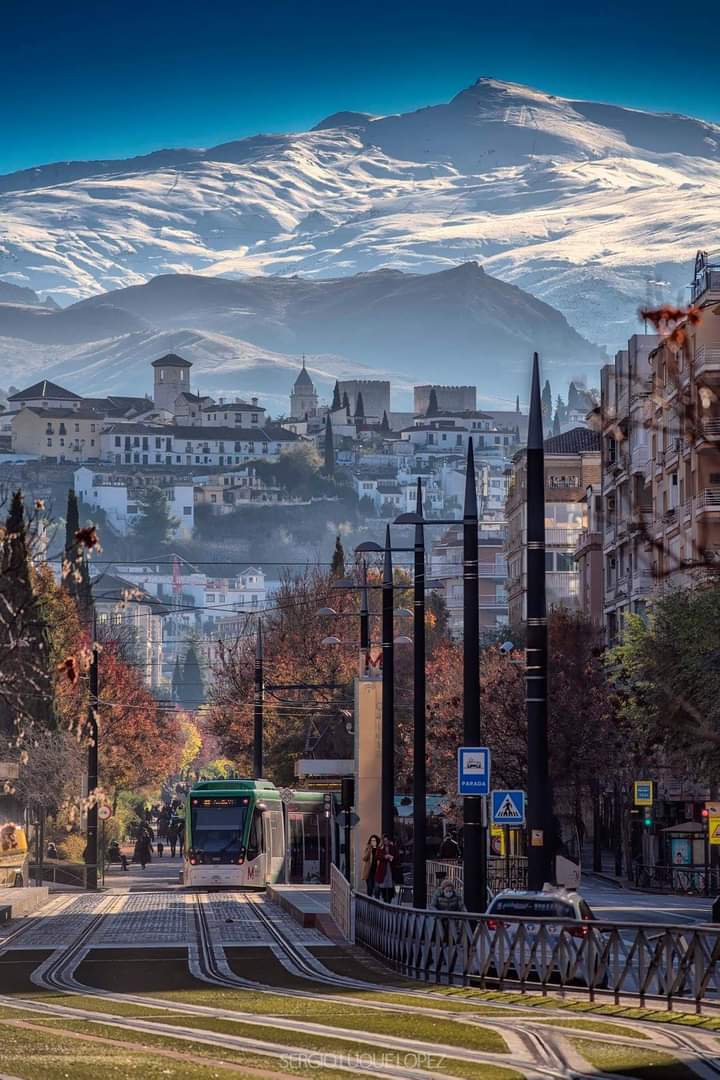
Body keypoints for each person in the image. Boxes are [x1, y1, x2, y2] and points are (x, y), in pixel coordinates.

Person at [374, 834, 397, 903]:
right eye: (384, 840)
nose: (386, 842)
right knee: (383, 885)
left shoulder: (392, 847)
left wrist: (391, 857)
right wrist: (384, 856)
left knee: (390, 885)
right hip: (383, 869)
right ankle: (384, 898)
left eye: (387, 840)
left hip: (390, 868)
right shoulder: (381, 847)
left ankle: (389, 899)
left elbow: (396, 856)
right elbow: (377, 856)